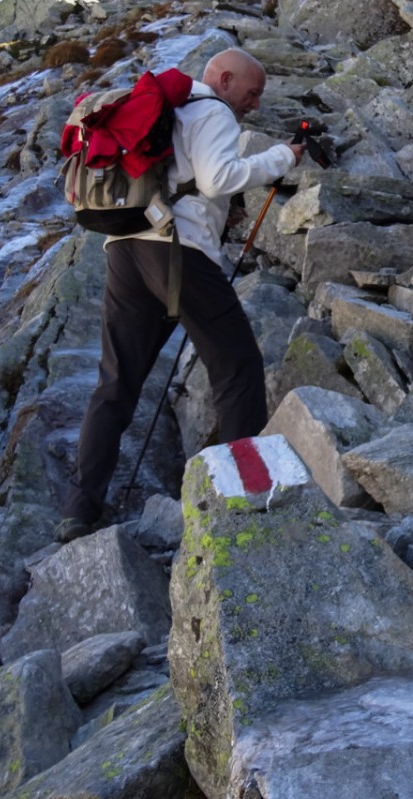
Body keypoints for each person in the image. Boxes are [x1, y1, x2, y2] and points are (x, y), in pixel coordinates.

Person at [56, 49, 303, 542]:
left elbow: (186, 182)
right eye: (252, 93)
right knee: (237, 368)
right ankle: (245, 502)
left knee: (116, 384)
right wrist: (283, 156)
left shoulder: (169, 110)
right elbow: (219, 178)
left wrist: (218, 212)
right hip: (177, 252)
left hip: (126, 248)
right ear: (226, 79)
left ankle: (78, 511)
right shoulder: (213, 109)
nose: (253, 105)